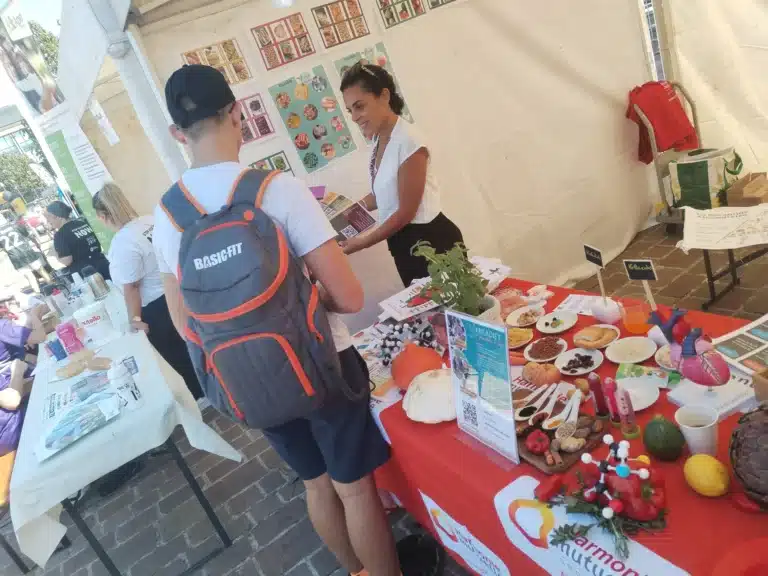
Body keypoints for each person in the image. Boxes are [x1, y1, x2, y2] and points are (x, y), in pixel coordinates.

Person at [153, 64, 400, 576]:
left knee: (315, 482)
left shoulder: (169, 214)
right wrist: (301, 310)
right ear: (236, 112)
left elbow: (183, 324)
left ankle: (354, 571)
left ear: (178, 134)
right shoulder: (277, 191)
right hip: (322, 365)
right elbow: (349, 296)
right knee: (353, 488)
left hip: (248, 380)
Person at [340, 63, 464, 287]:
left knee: (453, 315)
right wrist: (344, 214)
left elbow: (406, 211)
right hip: (403, 244)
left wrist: (362, 242)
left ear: (384, 96)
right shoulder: (379, 139)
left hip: (432, 243)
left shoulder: (409, 141)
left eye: (359, 106)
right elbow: (383, 194)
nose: (354, 117)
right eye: (350, 110)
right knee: (427, 318)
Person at [92, 183, 203, 400]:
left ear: (103, 215)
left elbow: (132, 287)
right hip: (180, 292)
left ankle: (198, 396)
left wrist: (134, 319)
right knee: (193, 345)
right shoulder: (149, 220)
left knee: (177, 356)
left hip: (157, 308)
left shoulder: (122, 243)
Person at [0, 302, 46, 456]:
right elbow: (12, 400)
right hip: (13, 430)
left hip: (17, 419)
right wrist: (17, 370)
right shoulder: (2, 327)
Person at [45, 201, 111, 281]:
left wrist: (55, 254)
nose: (48, 221)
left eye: (49, 217)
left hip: (88, 274)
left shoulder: (60, 235)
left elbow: (67, 261)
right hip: (103, 264)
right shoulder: (82, 223)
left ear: (58, 216)